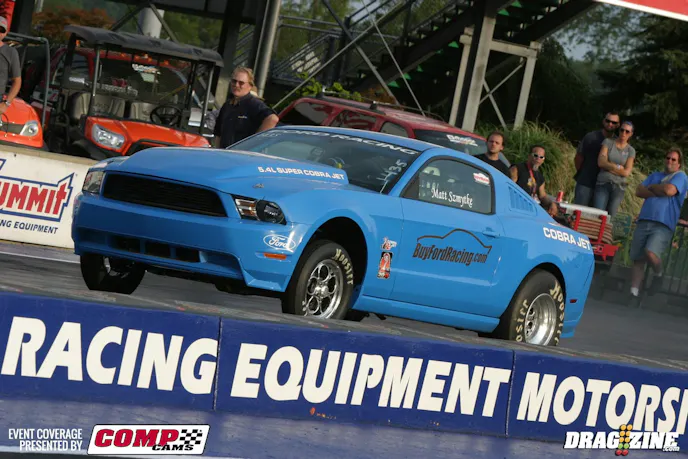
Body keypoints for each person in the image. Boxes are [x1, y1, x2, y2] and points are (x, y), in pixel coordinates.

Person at [629, 148, 688, 297]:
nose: (669, 161)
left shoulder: (681, 176)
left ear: (679, 164)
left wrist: (652, 187)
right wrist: (659, 191)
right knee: (638, 259)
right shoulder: (655, 175)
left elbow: (669, 191)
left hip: (663, 223)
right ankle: (633, 293)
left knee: (651, 252)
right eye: (668, 158)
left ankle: (658, 274)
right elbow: (639, 191)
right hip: (645, 219)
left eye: (673, 159)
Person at [213, 67, 279, 148]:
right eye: (234, 81)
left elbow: (272, 119)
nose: (236, 85)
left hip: (242, 154)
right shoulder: (227, 105)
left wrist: (255, 142)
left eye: (241, 83)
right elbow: (218, 134)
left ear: (250, 86)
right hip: (224, 153)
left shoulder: (254, 104)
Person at [573, 111, 620, 206]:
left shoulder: (618, 143)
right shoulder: (591, 137)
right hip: (585, 182)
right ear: (603, 121)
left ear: (618, 125)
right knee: (578, 211)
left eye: (614, 122)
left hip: (604, 187)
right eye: (608, 121)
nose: (610, 124)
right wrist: (582, 173)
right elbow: (579, 157)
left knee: (597, 214)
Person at [592, 120, 636, 217]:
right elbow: (601, 162)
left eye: (627, 131)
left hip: (619, 187)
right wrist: (617, 167)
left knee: (611, 216)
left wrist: (608, 165)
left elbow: (626, 172)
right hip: (603, 183)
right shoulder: (608, 142)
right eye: (622, 130)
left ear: (631, 134)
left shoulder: (631, 150)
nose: (624, 133)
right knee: (598, 214)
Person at [509, 144, 558, 217]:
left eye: (541, 157)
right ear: (529, 156)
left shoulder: (540, 177)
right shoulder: (517, 169)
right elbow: (509, 188)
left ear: (543, 160)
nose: (538, 159)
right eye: (535, 155)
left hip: (528, 210)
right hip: (515, 208)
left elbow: (542, 196)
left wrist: (551, 203)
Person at [0, 17, 21, 119]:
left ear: (5, 33)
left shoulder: (11, 52)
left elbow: (17, 81)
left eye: (2, 30)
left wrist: (6, 103)